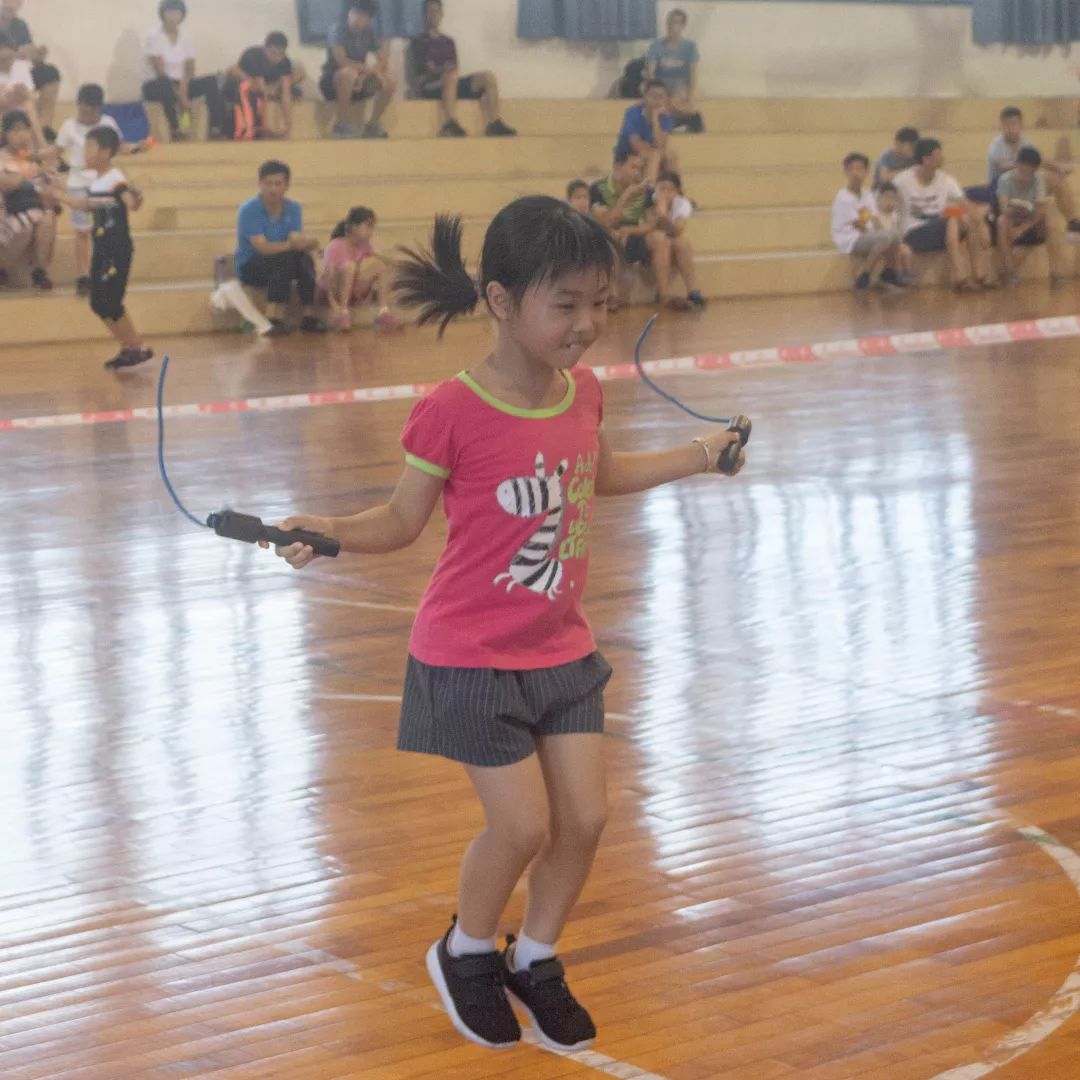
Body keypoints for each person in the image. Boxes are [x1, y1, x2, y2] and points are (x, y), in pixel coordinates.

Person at [262, 193, 746, 1055]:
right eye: (566, 304)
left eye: (600, 303)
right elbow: (401, 521)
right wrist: (325, 530)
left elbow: (601, 475)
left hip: (560, 646)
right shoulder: (452, 408)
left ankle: (537, 957)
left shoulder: (583, 391)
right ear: (500, 299)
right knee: (522, 826)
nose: (587, 323)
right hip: (469, 655)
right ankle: (466, 951)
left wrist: (703, 456)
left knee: (585, 819)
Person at [50, 127, 152, 370]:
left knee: (112, 302)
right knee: (97, 302)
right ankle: (128, 347)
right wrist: (55, 192)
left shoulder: (115, 178)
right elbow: (84, 205)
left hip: (117, 249)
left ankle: (137, 348)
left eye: (90, 147)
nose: (85, 152)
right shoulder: (97, 182)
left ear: (105, 152)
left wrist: (135, 198)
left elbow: (129, 200)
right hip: (102, 249)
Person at [590, 150, 703, 310]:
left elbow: (651, 224)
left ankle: (664, 295)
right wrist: (626, 197)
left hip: (632, 236)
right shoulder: (598, 188)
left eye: (640, 169)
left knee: (660, 237)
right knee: (610, 238)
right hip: (607, 237)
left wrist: (628, 230)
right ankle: (611, 295)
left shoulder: (647, 192)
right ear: (618, 167)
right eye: (633, 167)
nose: (637, 173)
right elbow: (606, 222)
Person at [56, 84, 132, 296]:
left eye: (93, 111)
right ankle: (83, 275)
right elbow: (56, 150)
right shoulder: (68, 125)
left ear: (99, 108)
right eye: (84, 110)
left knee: (104, 229)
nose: (88, 115)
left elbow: (120, 146)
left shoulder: (108, 123)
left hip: (101, 180)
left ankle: (103, 271)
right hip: (78, 181)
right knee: (82, 231)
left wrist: (137, 147)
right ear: (78, 105)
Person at [234, 159, 325, 336]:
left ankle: (308, 315)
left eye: (278, 184)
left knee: (303, 258)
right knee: (284, 258)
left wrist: (308, 243)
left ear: (286, 185)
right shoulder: (249, 210)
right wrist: (292, 244)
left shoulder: (293, 208)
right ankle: (273, 316)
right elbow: (262, 247)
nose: (273, 189)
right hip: (251, 265)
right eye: (269, 183)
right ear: (260, 184)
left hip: (283, 261)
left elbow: (295, 239)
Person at [892, 138, 992, 291]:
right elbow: (886, 206)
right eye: (938, 155)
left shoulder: (946, 179)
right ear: (926, 159)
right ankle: (960, 277)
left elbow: (965, 203)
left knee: (966, 218)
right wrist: (895, 239)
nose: (942, 158)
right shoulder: (902, 181)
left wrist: (982, 225)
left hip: (942, 230)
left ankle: (979, 275)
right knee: (954, 216)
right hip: (914, 233)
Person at [406, 0, 516, 138]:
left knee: (488, 77)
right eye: (430, 12)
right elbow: (424, 72)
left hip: (451, 83)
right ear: (424, 14)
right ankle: (449, 123)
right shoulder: (418, 41)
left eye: (436, 12)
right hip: (431, 87)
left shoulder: (448, 41)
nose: (433, 15)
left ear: (442, 14)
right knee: (449, 76)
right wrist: (442, 70)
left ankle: (494, 122)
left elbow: (454, 66)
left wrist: (444, 69)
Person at [142, 0, 229, 142]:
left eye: (177, 12)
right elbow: (160, 70)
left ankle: (216, 127)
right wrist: (180, 95)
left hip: (181, 82)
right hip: (157, 84)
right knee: (164, 83)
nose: (173, 16)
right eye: (170, 12)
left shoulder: (185, 37)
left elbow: (189, 68)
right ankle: (175, 128)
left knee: (211, 81)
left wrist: (183, 89)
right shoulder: (154, 36)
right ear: (163, 14)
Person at [987, 106, 1080, 236]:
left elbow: (1038, 160)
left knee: (1056, 179)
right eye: (1006, 125)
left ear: (1021, 125)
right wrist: (1031, 165)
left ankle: (1072, 221)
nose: (1010, 128)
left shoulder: (1026, 142)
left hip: (1024, 186)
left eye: (1014, 124)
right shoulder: (996, 145)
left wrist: (1058, 167)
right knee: (1044, 177)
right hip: (1003, 190)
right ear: (1001, 126)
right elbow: (1006, 166)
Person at [318, 206, 404, 332]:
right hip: (332, 292)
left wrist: (400, 265)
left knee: (380, 266)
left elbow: (386, 259)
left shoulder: (364, 246)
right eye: (368, 226)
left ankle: (383, 313)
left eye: (372, 227)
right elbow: (327, 277)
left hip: (351, 291)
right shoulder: (335, 246)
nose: (371, 231)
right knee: (349, 266)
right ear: (354, 227)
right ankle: (343, 314)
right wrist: (333, 304)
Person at [320, 0, 396, 140]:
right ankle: (341, 124)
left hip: (359, 78)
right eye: (354, 13)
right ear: (349, 13)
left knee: (390, 80)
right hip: (333, 80)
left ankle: (372, 124)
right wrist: (367, 71)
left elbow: (383, 61)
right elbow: (342, 60)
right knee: (348, 74)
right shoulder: (337, 29)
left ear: (369, 20)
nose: (357, 18)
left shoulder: (369, 33)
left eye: (362, 15)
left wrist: (367, 74)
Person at [830, 152, 904, 291]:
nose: (855, 173)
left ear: (866, 172)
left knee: (893, 235)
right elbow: (858, 225)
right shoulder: (843, 197)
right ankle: (865, 274)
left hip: (865, 235)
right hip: (849, 238)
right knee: (884, 238)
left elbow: (874, 218)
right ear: (845, 172)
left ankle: (889, 272)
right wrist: (880, 236)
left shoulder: (867, 194)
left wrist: (883, 233)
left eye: (859, 169)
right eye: (851, 169)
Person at [993, 146, 1065, 288]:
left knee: (1050, 217)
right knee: (1001, 222)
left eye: (1029, 173)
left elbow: (1040, 210)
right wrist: (1015, 210)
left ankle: (1055, 272)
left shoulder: (1038, 180)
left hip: (1032, 218)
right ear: (1016, 165)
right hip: (1013, 216)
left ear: (1035, 170)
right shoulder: (1005, 179)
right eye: (1022, 171)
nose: (1024, 177)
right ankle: (1010, 271)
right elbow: (1003, 208)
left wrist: (1022, 229)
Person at [0, 108, 55, 289]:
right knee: (25, 226)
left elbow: (54, 184)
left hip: (32, 208)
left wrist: (46, 176)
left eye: (25, 129)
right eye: (16, 130)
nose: (21, 135)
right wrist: (26, 176)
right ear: (6, 134)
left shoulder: (34, 158)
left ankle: (40, 271)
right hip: (6, 211)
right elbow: (5, 183)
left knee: (47, 217)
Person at [225, 31, 306, 140]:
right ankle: (252, 129)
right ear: (265, 49)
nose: (276, 58)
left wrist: (288, 126)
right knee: (249, 89)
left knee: (296, 89)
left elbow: (286, 92)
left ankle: (265, 129)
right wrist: (269, 90)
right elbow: (261, 89)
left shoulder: (284, 61)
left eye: (280, 54)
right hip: (244, 86)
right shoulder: (254, 56)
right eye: (273, 53)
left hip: (267, 86)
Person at [0, 0, 58, 136]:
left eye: (15, 2)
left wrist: (38, 55)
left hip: (17, 71)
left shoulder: (20, 26)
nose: (11, 5)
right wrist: (15, 53)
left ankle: (43, 125)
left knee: (50, 73)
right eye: (8, 2)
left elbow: (29, 54)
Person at [644, 8, 702, 132]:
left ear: (683, 26)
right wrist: (660, 94)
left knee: (682, 104)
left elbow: (693, 74)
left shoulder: (690, 46)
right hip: (661, 84)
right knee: (654, 99)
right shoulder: (656, 45)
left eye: (676, 22)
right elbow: (651, 73)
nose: (672, 26)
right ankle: (667, 124)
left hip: (680, 85)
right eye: (670, 22)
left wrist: (690, 97)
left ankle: (679, 124)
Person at [615, 80, 677, 186]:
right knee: (654, 156)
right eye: (652, 96)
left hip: (650, 153)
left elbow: (661, 145)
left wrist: (655, 119)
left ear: (666, 99)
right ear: (645, 97)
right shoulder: (633, 112)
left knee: (671, 156)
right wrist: (653, 151)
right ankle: (649, 191)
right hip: (627, 155)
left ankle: (674, 191)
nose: (656, 101)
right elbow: (635, 145)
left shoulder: (665, 117)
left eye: (660, 97)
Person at [0, 30, 44, 145]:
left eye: (10, 57)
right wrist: (6, 99)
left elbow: (33, 97)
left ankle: (41, 145)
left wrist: (23, 94)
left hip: (20, 111)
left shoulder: (21, 67)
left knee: (28, 105)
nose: (8, 63)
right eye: (2, 60)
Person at [873, 182, 914, 281]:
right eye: (887, 197)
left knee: (906, 251)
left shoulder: (894, 216)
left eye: (893, 198)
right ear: (879, 198)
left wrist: (900, 242)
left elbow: (897, 232)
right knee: (897, 251)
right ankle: (896, 273)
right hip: (881, 244)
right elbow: (878, 233)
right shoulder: (876, 215)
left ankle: (907, 272)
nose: (890, 201)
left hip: (894, 243)